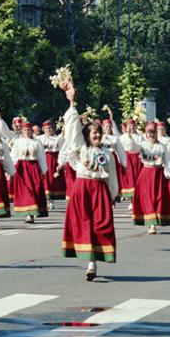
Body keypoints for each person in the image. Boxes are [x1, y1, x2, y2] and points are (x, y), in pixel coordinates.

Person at [60, 80, 118, 281]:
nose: (98, 135)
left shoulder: (106, 153)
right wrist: (72, 103)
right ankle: (90, 263)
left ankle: (95, 259)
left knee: (101, 225)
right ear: (87, 135)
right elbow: (72, 130)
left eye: (99, 132)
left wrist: (113, 195)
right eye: (94, 132)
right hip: (82, 187)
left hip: (99, 190)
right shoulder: (80, 149)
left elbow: (111, 175)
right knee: (85, 224)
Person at [132, 122, 170, 234]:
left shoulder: (162, 147)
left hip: (158, 174)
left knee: (158, 198)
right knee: (147, 198)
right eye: (149, 132)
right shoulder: (142, 145)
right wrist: (131, 134)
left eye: (153, 132)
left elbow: (168, 161)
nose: (151, 134)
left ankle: (156, 219)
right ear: (146, 133)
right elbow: (132, 149)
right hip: (146, 173)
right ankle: (151, 224)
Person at [9, 122, 48, 223]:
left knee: (35, 188)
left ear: (32, 131)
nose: (27, 132)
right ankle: (29, 214)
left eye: (29, 130)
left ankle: (33, 212)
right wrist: (12, 169)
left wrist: (43, 170)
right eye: (25, 130)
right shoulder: (18, 142)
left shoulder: (37, 142)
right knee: (26, 190)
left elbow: (41, 156)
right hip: (22, 167)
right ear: (22, 131)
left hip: (33, 167)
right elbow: (14, 155)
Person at [36, 121, 65, 209]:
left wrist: (61, 163)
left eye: (50, 128)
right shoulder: (40, 139)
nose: (48, 130)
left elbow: (62, 150)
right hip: (45, 160)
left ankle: (52, 199)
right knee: (46, 180)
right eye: (47, 128)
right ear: (44, 129)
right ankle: (48, 200)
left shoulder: (58, 139)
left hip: (54, 160)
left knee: (53, 180)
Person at [119, 119, 143, 202]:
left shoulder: (140, 136)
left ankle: (137, 199)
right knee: (129, 179)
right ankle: (131, 200)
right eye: (129, 126)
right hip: (127, 159)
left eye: (133, 126)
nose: (131, 128)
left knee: (137, 178)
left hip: (136, 159)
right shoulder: (122, 137)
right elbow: (120, 149)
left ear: (135, 127)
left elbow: (141, 148)